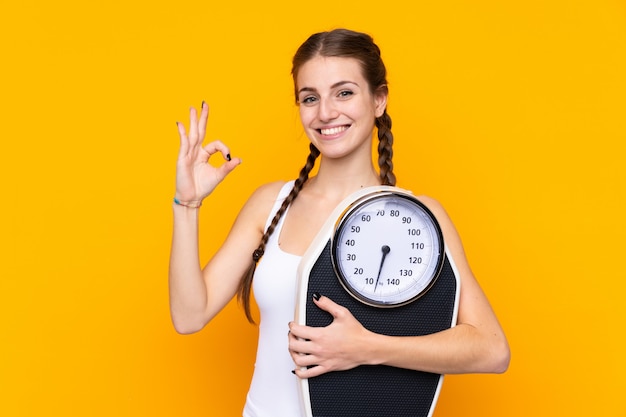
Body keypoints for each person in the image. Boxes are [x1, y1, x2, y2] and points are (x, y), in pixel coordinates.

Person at [169, 28, 510, 417]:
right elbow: (188, 316)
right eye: (309, 98)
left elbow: (491, 348)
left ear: (378, 99)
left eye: (344, 92)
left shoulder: (420, 220)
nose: (326, 112)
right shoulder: (272, 203)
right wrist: (188, 204)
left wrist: (367, 347)